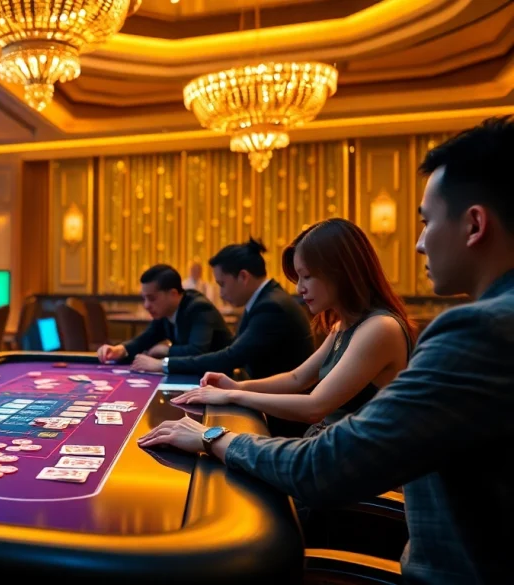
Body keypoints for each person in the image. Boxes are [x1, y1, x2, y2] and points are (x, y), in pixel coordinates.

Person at [137, 116, 514, 584]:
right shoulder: (359, 325)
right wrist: (234, 391)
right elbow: (300, 380)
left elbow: (323, 460)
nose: (417, 243)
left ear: (475, 224)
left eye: (426, 221)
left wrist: (214, 436)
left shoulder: (479, 332)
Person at [172, 219, 415, 437]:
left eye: (306, 276)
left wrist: (232, 395)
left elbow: (314, 406)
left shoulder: (380, 327)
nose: (299, 289)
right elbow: (297, 378)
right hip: (329, 445)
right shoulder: (343, 325)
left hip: (359, 463)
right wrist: (236, 385)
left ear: (341, 271)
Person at [130, 239, 314, 381]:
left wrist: (163, 364)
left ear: (243, 277)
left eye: (222, 284)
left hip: (283, 416)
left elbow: (231, 357)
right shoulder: (265, 300)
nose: (221, 293)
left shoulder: (271, 307)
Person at [96, 264, 232, 370]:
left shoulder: (199, 308)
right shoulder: (165, 311)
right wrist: (119, 350)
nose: (146, 305)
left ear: (173, 294)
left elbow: (197, 351)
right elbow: (146, 338)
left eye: (152, 298)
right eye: (144, 299)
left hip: (221, 379)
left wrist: (165, 351)